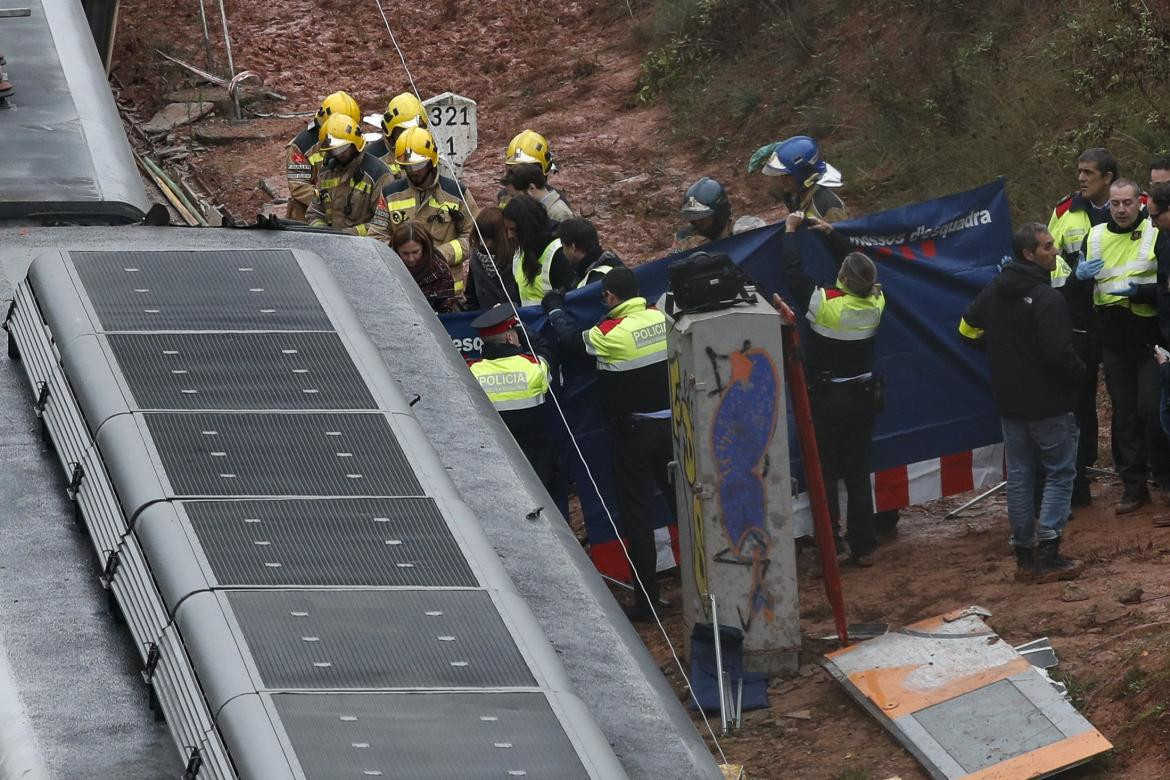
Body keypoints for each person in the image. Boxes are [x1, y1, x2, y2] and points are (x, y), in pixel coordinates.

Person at [542, 268, 674, 620]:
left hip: (635, 437)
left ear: (611, 297)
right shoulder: (662, 317)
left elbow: (571, 340)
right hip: (677, 431)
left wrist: (555, 308)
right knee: (687, 511)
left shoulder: (610, 332)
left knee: (638, 520)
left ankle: (647, 604)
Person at [959, 223, 1085, 580]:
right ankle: (1049, 550)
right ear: (1029, 254)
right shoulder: (1049, 299)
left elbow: (965, 330)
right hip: (1049, 403)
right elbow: (1059, 353)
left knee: (1020, 475)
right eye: (1047, 247)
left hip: (1010, 401)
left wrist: (997, 348)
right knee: (1060, 473)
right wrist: (1082, 371)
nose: (1055, 252)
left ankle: (1025, 558)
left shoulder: (992, 291)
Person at [781, 211, 885, 566]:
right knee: (857, 472)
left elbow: (793, 275)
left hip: (827, 399)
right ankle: (864, 545)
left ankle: (833, 543)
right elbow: (860, 271)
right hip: (864, 397)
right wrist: (833, 235)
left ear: (841, 278)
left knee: (824, 470)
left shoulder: (824, 303)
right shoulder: (876, 302)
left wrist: (790, 232)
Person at [1071, 179, 1169, 514]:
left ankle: (1166, 481)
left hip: (1150, 337)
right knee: (1124, 415)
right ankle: (1133, 488)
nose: (1122, 209)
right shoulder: (1095, 236)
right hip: (1112, 340)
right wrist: (1078, 278)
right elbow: (1077, 293)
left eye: (1128, 203)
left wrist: (1140, 293)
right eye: (1115, 204)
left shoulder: (1158, 233)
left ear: (1140, 203)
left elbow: (1166, 289)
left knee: (1153, 411)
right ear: (1108, 205)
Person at [1047, 148, 1118, 505]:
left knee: (1125, 399)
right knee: (1081, 400)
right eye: (1079, 172)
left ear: (1107, 177)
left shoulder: (1130, 204)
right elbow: (1050, 260)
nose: (1081, 178)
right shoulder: (1064, 212)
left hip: (1120, 316)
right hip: (1077, 319)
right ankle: (1081, 477)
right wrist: (1070, 280)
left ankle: (1130, 472)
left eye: (1088, 172)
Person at [373, 126, 477, 295]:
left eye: (419, 165)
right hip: (403, 288)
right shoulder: (389, 194)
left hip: (447, 291)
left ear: (431, 161)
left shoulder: (457, 194)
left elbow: (473, 238)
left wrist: (441, 254)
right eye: (408, 166)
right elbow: (376, 236)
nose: (414, 172)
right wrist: (401, 255)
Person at [467, 305, 556, 492]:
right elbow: (544, 346)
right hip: (536, 463)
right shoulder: (533, 367)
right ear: (510, 337)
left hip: (494, 463)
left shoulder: (470, 372)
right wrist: (521, 326)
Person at [305, 113, 392, 237]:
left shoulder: (378, 174)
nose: (338, 154)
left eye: (342, 148)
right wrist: (323, 231)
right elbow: (313, 213)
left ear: (354, 144)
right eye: (333, 150)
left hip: (366, 247)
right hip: (331, 244)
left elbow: (383, 223)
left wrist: (349, 234)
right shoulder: (326, 173)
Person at [284, 91, 361, 221]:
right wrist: (328, 201)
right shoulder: (301, 147)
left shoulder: (354, 140)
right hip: (308, 216)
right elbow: (298, 186)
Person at [749, 135, 848, 223]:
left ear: (802, 173)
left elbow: (843, 240)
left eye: (786, 176)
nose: (781, 181)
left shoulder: (828, 205)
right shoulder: (798, 198)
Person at [502, 194, 574, 306]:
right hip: (526, 320)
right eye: (507, 229)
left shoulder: (559, 253)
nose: (509, 235)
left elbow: (569, 301)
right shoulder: (520, 251)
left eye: (513, 229)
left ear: (527, 226)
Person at [389, 221, 458, 313]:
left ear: (424, 248)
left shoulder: (440, 272)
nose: (411, 259)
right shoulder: (388, 269)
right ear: (396, 250)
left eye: (415, 252)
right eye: (405, 253)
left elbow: (446, 310)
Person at [464, 207, 521, 311]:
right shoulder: (476, 260)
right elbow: (471, 298)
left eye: (488, 238)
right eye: (480, 236)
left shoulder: (518, 259)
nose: (482, 243)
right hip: (488, 322)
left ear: (501, 236)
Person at [364, 91, 429, 179]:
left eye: (415, 130)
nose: (410, 137)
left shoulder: (429, 151)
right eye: (404, 131)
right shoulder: (371, 158)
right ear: (390, 132)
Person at [557, 217, 625, 289]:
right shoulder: (612, 260)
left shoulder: (594, 283)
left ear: (573, 247)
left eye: (563, 247)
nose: (563, 252)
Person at [502, 162, 575, 223]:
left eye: (515, 197)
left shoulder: (560, 214)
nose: (513, 201)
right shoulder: (532, 210)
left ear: (532, 188)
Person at [673, 177, 733, 251]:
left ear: (719, 213)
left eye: (703, 216)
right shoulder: (684, 239)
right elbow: (672, 260)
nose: (698, 221)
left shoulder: (738, 232)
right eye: (694, 216)